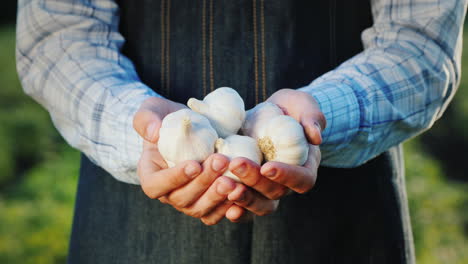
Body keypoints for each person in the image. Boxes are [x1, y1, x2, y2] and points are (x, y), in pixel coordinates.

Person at [16, 0, 467, 263]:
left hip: (344, 217)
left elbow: (419, 43)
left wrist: (318, 120)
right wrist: (144, 132)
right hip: (129, 216)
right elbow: (57, 37)